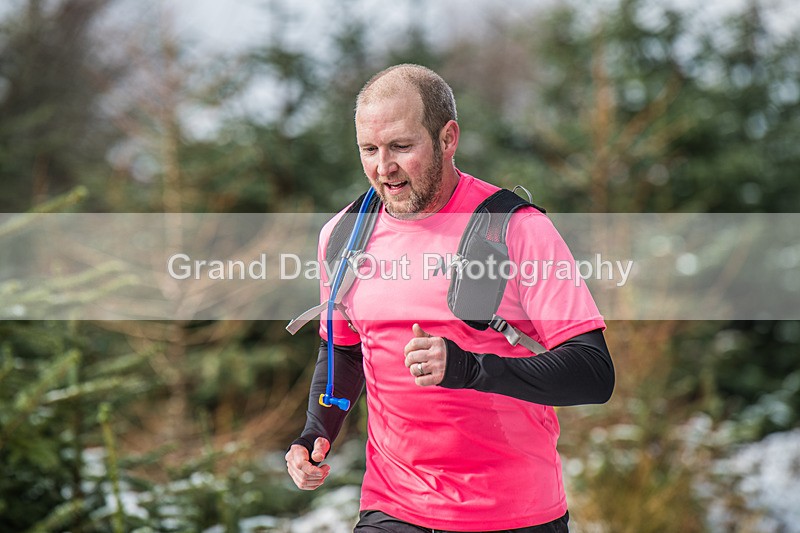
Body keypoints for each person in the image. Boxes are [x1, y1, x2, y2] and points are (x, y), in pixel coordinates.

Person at [285, 64, 614, 533]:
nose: (384, 167)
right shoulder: (343, 236)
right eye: (369, 149)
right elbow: (342, 349)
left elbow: (594, 373)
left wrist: (470, 368)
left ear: (447, 138)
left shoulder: (518, 230)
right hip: (393, 508)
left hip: (514, 514)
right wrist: (316, 431)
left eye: (401, 146)